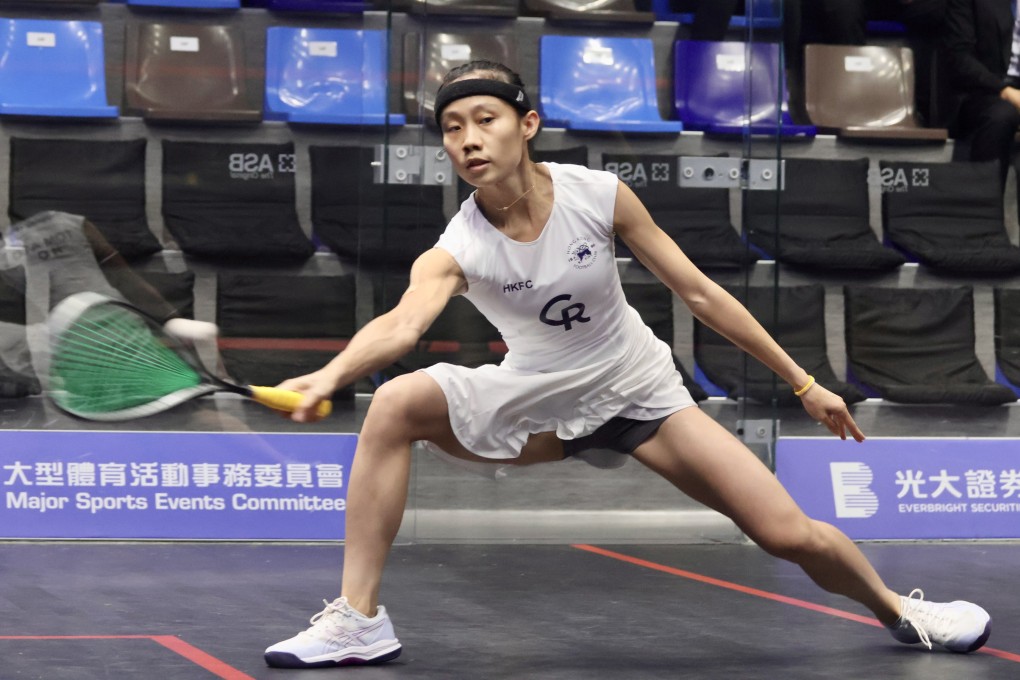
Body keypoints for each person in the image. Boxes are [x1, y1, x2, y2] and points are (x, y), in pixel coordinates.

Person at [263, 61, 992, 669]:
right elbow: (403, 322)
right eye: (452, 129)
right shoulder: (458, 246)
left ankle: (900, 610)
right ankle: (359, 618)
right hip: (540, 400)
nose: (468, 140)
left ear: (529, 125)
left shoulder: (597, 195)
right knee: (394, 407)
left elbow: (700, 294)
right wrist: (332, 375)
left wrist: (804, 383)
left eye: (485, 118)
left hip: (640, 392)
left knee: (787, 534)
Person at [943, 0, 1020, 186]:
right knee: (1001, 116)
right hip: (983, 91)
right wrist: (1004, 90)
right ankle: (983, 209)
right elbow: (960, 57)